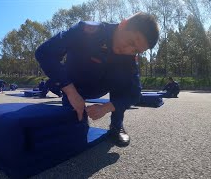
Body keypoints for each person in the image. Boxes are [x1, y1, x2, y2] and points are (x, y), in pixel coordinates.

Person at [35, 12, 159, 146]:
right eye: (130, 42)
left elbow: (134, 93)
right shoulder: (88, 31)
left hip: (101, 88)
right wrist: (71, 92)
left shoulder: (130, 59)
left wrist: (106, 107)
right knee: (73, 133)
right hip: (73, 84)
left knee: (124, 78)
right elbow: (44, 52)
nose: (128, 50)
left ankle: (116, 125)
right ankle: (69, 103)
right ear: (123, 24)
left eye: (136, 50)